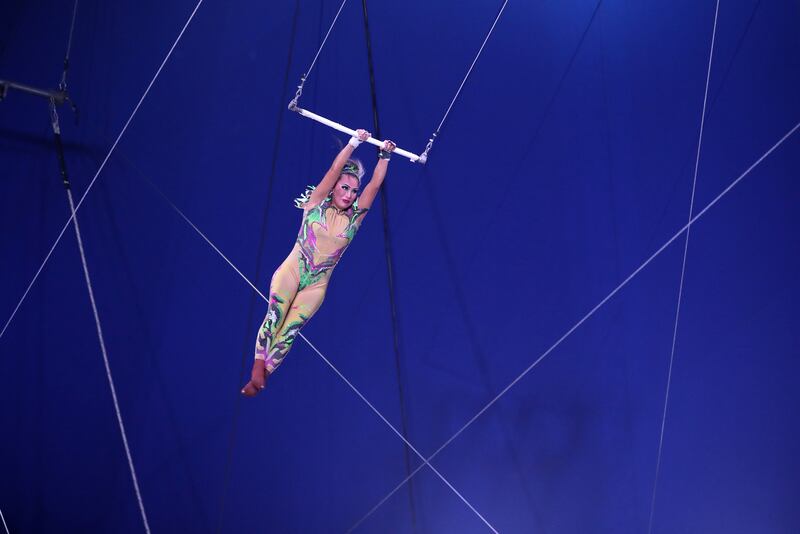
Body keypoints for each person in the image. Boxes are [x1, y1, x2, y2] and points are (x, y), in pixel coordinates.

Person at [241, 129, 396, 396]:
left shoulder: (356, 218)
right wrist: (353, 143)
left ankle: (264, 375)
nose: (349, 195)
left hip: (316, 285)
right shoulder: (316, 203)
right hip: (292, 270)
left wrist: (385, 156)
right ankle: (257, 367)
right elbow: (334, 168)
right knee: (275, 315)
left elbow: (373, 187)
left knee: (290, 330)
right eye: (344, 187)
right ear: (334, 186)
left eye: (353, 191)